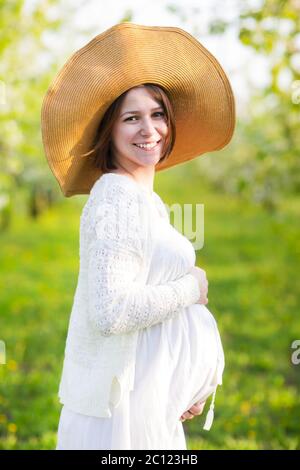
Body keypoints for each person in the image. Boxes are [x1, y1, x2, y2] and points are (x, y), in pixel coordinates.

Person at [41, 22, 236, 450]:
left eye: (157, 113)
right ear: (109, 129)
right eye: (132, 118)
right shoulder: (116, 196)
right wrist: (191, 287)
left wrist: (182, 380)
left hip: (147, 400)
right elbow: (112, 312)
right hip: (120, 418)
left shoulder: (142, 198)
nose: (150, 129)